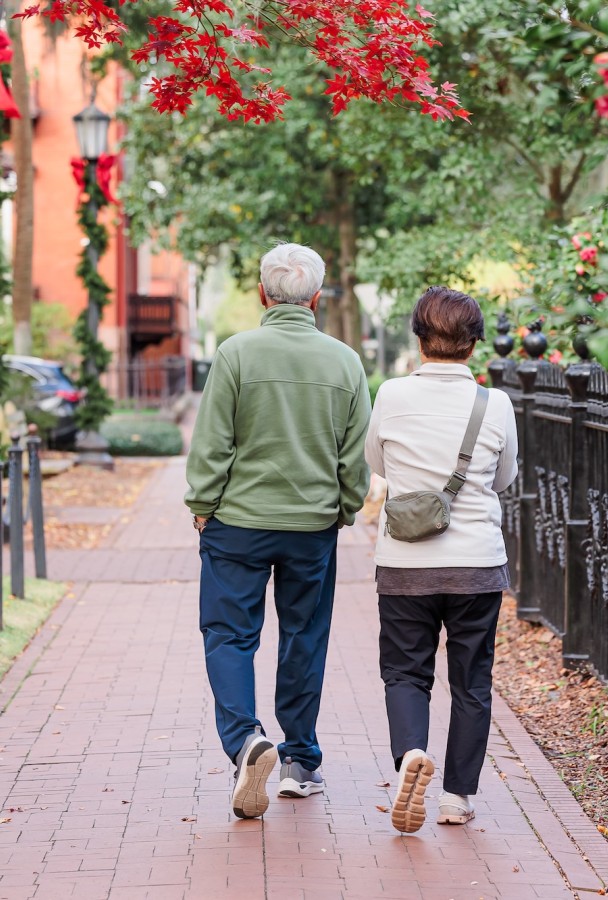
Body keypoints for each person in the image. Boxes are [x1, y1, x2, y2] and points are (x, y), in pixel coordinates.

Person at [185, 243, 371, 819]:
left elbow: (213, 440)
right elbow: (353, 455)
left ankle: (245, 741)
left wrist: (202, 502)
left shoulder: (236, 354)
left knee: (229, 635)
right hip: (310, 525)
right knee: (303, 636)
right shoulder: (345, 362)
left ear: (263, 295)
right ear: (316, 298)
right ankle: (298, 763)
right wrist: (344, 507)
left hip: (238, 522)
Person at [364, 286, 518, 834]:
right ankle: (456, 797)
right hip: (476, 563)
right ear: (474, 344)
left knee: (406, 672)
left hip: (406, 563)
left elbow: (375, 462)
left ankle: (410, 756)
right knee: (472, 681)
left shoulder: (390, 395)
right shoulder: (494, 404)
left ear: (420, 339)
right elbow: (504, 479)